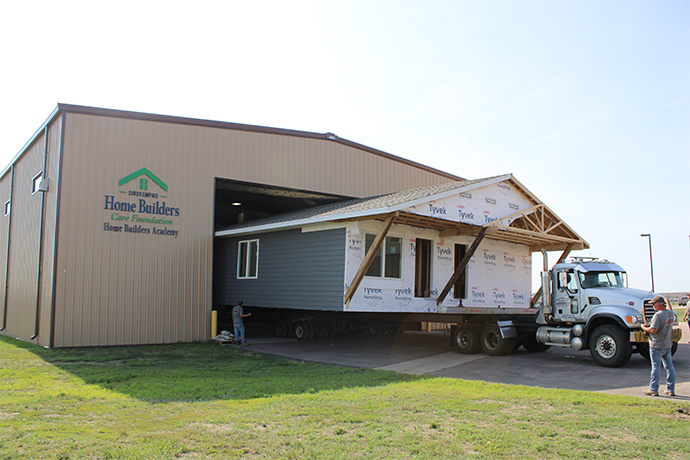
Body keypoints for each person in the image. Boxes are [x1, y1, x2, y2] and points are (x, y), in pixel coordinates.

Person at [640, 295, 676, 396]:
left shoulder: (658, 316)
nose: (653, 306)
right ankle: (670, 389)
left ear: (659, 304)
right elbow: (669, 308)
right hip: (667, 345)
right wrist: (667, 301)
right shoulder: (670, 313)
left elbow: (653, 330)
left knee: (656, 367)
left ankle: (653, 389)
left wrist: (644, 328)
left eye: (654, 304)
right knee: (669, 367)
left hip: (656, 345)